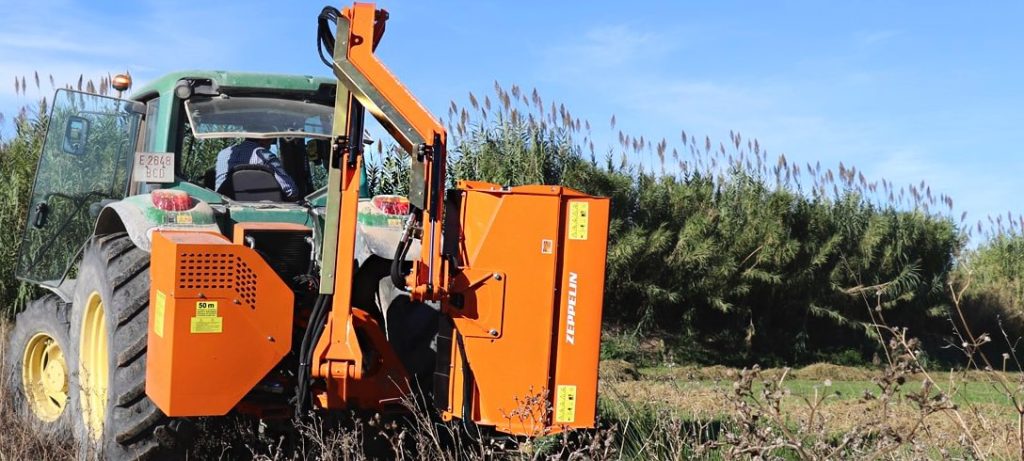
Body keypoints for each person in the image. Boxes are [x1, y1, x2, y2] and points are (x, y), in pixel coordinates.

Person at [214, 138, 298, 200]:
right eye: (271, 141)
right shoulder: (264, 154)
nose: (269, 146)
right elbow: (290, 190)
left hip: (226, 206)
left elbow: (218, 189)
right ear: (264, 139)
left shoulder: (223, 154)